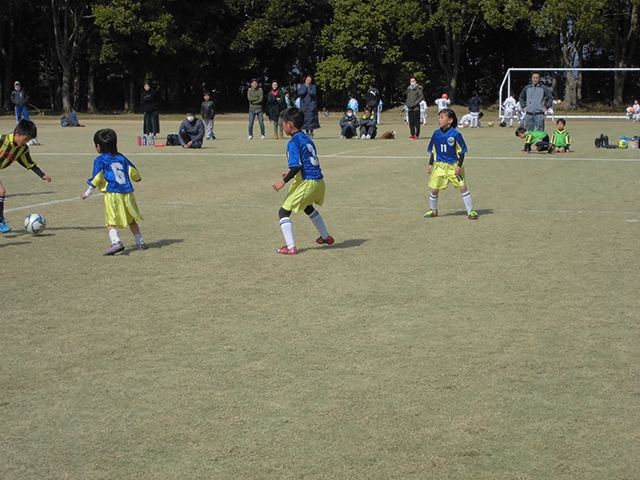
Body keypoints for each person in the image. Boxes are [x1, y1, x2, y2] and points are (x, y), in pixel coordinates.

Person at [272, 107, 333, 255]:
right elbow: (306, 163)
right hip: (318, 182)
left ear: (289, 125)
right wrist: (293, 174)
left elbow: (296, 165)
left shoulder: (293, 143)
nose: (283, 126)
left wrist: (284, 181)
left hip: (308, 182)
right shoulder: (307, 138)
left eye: (283, 123)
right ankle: (326, 237)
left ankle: (291, 247)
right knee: (307, 207)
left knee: (283, 212)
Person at [81, 128, 147, 255]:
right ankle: (140, 242)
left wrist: (87, 193)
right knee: (131, 219)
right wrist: (137, 179)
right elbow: (133, 171)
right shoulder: (121, 157)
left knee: (110, 221)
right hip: (128, 194)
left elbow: (96, 178)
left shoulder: (100, 160)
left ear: (98, 146)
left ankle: (116, 241)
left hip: (113, 194)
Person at [423, 109, 478, 220]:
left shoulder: (456, 134)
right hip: (439, 165)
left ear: (450, 120)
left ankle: (470, 211)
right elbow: (433, 150)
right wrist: (430, 164)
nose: (439, 120)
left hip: (453, 165)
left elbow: (462, 151)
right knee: (434, 189)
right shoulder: (436, 134)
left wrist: (459, 166)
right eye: (439, 118)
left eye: (442, 118)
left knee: (462, 187)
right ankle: (433, 210)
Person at [0, 120, 52, 233]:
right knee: (1, 191)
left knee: (1, 192)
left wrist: (42, 175)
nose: (26, 142)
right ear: (17, 133)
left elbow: (28, 163)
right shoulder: (2, 140)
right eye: (25, 139)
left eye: (28, 141)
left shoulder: (22, 149)